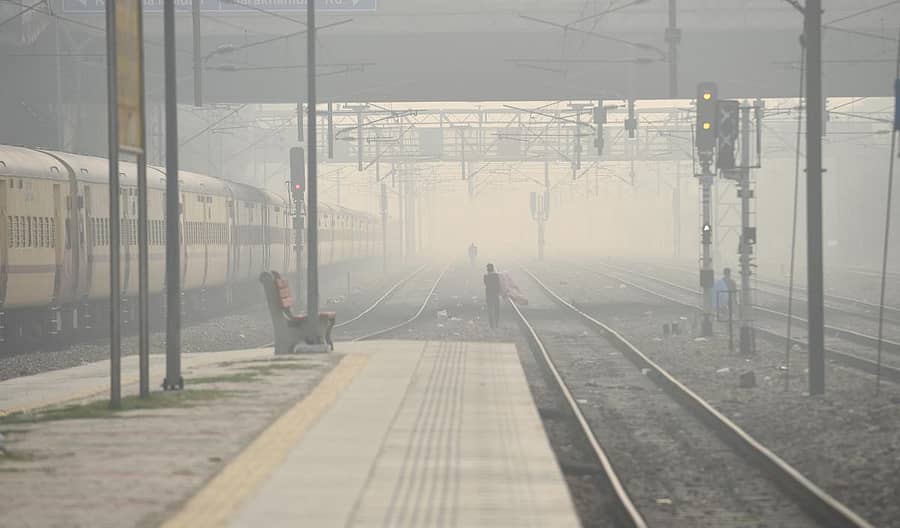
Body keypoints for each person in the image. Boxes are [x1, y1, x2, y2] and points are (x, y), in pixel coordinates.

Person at [484, 263, 501, 329]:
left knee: (490, 310)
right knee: (496, 310)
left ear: (487, 269)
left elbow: (486, 284)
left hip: (489, 295)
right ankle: (496, 323)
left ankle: (491, 325)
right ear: (493, 268)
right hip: (495, 295)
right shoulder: (496, 276)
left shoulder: (485, 276)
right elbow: (498, 285)